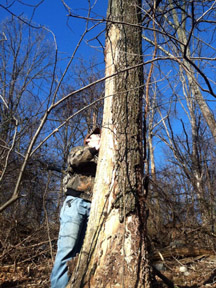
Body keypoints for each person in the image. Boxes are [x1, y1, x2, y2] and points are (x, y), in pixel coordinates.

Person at [50, 127, 101, 288]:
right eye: (97, 135)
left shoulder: (104, 158)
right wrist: (94, 149)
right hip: (76, 203)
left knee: (84, 253)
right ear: (88, 140)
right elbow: (74, 161)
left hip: (95, 207)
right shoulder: (80, 150)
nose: (100, 137)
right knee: (67, 250)